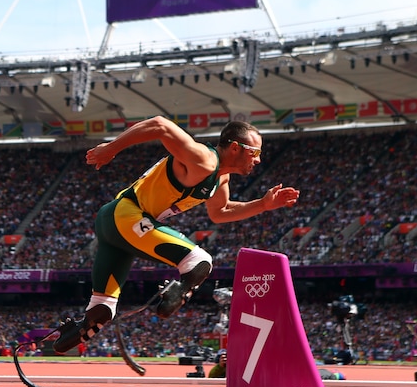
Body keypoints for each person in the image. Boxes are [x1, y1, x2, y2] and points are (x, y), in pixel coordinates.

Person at [53, 116, 300, 354]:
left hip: (117, 226)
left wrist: (263, 205)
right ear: (235, 148)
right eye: (255, 152)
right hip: (127, 216)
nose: (258, 160)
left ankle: (69, 335)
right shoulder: (204, 159)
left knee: (103, 308)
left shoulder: (220, 178)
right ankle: (173, 295)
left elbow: (220, 212)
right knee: (199, 261)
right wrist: (111, 148)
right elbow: (160, 125)